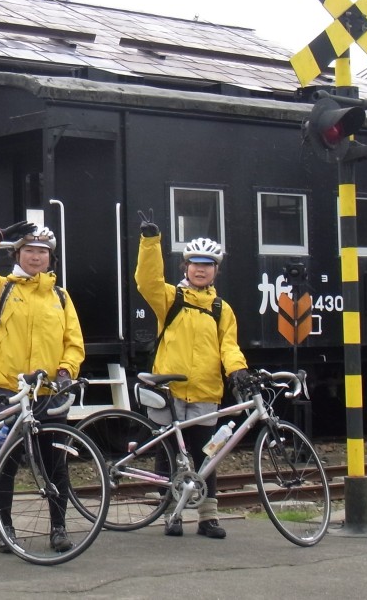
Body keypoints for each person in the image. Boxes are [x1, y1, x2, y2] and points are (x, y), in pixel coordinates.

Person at [0, 220, 85, 554]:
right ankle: (6, 528)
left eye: (42, 252)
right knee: (7, 464)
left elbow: (74, 341)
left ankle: (58, 529)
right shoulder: (1, 289)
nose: (35, 257)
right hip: (9, 391)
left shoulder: (60, 296)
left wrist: (65, 369)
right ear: (17, 253)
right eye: (29, 250)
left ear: (50, 258)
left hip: (49, 393)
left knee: (55, 464)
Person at [134, 211, 251, 539]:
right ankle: (171, 514)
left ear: (216, 270)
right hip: (169, 391)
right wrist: (150, 241)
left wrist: (238, 371)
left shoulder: (221, 309)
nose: (201, 269)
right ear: (185, 267)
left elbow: (229, 346)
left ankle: (207, 517)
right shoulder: (171, 298)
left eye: (208, 264)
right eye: (195, 263)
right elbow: (147, 281)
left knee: (207, 456)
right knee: (168, 454)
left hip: (205, 391)